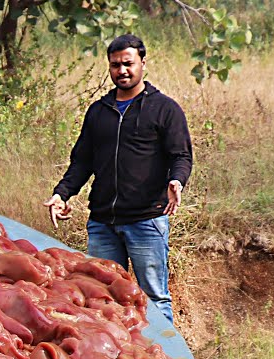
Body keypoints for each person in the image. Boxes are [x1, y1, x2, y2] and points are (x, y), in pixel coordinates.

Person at [44, 33, 192, 324]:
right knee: (102, 298)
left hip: (146, 220)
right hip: (102, 223)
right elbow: (82, 162)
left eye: (128, 63)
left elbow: (181, 156)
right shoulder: (99, 112)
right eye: (115, 65)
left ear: (142, 63)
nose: (122, 70)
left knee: (154, 298)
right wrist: (62, 194)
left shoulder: (164, 109)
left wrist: (177, 181)